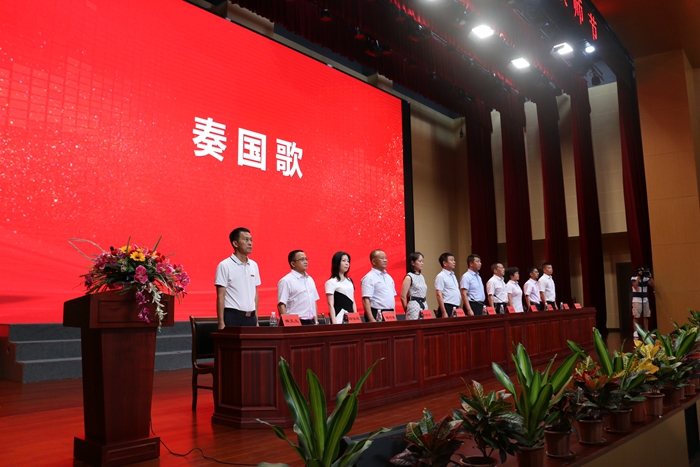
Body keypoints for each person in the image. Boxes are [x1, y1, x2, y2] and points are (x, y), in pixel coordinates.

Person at [215, 227, 260, 329]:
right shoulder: (225, 265)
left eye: (251, 240)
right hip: (233, 316)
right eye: (246, 240)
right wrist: (221, 323)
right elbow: (221, 295)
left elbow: (255, 293)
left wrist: (256, 319)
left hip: (251, 317)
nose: (250, 243)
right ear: (235, 243)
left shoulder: (254, 265)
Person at [277, 250, 319, 325]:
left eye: (306, 259)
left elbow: (314, 301)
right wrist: (287, 324)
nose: (306, 262)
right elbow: (281, 305)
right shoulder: (286, 281)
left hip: (311, 322)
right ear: (293, 264)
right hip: (295, 322)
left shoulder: (310, 279)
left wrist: (316, 321)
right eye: (302, 259)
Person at [361, 250, 397, 322]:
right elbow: (366, 299)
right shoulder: (369, 277)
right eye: (382, 258)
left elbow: (392, 298)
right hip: (377, 313)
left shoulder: (389, 277)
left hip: (390, 314)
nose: (385, 260)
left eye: (386, 258)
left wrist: (394, 316)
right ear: (373, 261)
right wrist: (371, 319)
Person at [325, 251, 358, 324]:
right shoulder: (331, 282)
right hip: (339, 318)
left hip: (351, 318)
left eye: (348, 261)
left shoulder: (349, 280)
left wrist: (356, 317)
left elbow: (353, 300)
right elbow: (331, 305)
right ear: (337, 263)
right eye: (343, 261)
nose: (347, 263)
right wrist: (334, 323)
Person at [400, 252, 428, 320]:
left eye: (423, 261)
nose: (422, 263)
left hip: (424, 304)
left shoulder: (421, 276)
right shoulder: (409, 277)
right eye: (420, 261)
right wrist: (406, 309)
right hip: (414, 306)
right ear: (413, 263)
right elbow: (402, 296)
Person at [434, 252, 461, 318]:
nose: (454, 262)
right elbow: (439, 294)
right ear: (444, 263)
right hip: (447, 306)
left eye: (454, 260)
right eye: (451, 260)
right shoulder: (441, 276)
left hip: (456, 306)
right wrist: (444, 312)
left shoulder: (453, 275)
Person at [632, 265, 655, 338]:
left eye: (643, 270)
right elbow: (635, 285)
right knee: (636, 316)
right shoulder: (633, 278)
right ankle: (635, 331)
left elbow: (652, 284)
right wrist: (638, 277)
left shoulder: (646, 279)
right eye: (640, 271)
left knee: (646, 316)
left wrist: (650, 277)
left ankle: (646, 331)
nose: (642, 272)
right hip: (637, 300)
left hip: (645, 300)